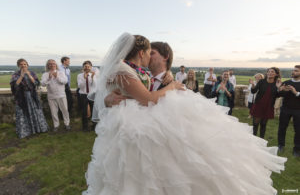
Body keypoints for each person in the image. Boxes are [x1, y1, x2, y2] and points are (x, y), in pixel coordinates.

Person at [83, 33, 286, 195]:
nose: (147, 56)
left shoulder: (173, 83)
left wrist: (169, 87)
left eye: (152, 53)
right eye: (147, 52)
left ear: (165, 57)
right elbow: (124, 92)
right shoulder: (133, 73)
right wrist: (107, 100)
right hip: (137, 139)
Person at [10, 58, 48, 138]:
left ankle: (38, 128)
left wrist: (30, 76)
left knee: (35, 111)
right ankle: (25, 131)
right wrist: (21, 76)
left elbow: (37, 83)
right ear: (18, 66)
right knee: (23, 113)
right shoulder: (16, 74)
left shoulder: (32, 73)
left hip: (32, 96)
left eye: (25, 64)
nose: (23, 66)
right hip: (21, 97)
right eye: (21, 64)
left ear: (27, 65)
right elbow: (15, 85)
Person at [250, 67, 282, 139]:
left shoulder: (277, 83)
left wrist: (279, 88)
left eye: (272, 72)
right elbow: (253, 91)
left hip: (268, 106)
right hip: (258, 105)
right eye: (269, 71)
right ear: (267, 73)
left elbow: (278, 96)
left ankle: (261, 141)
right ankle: (252, 140)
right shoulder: (262, 81)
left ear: (276, 74)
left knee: (263, 124)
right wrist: (252, 85)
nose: (270, 73)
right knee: (255, 124)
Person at [41, 59, 70, 131]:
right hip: (51, 96)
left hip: (61, 95)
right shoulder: (45, 74)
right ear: (48, 65)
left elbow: (65, 81)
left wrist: (57, 77)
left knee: (65, 110)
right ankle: (56, 125)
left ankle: (67, 124)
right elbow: (43, 84)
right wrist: (49, 78)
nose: (52, 65)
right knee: (54, 112)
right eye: (50, 64)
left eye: (53, 64)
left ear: (56, 65)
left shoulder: (61, 73)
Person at [277, 65, 300, 157]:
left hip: (298, 110)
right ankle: (281, 145)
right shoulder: (286, 82)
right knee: (282, 128)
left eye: (296, 71)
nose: (293, 72)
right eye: (293, 70)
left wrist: (295, 92)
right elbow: (279, 95)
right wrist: (280, 89)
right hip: (285, 109)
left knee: (298, 130)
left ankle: (297, 149)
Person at [77, 60, 97, 131]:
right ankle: (85, 127)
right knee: (84, 112)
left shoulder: (94, 74)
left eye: (88, 66)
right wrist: (84, 79)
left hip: (92, 94)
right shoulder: (79, 75)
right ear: (83, 67)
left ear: (91, 67)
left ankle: (94, 126)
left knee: (93, 110)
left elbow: (95, 85)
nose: (87, 68)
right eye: (85, 66)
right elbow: (80, 86)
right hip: (83, 95)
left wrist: (92, 78)